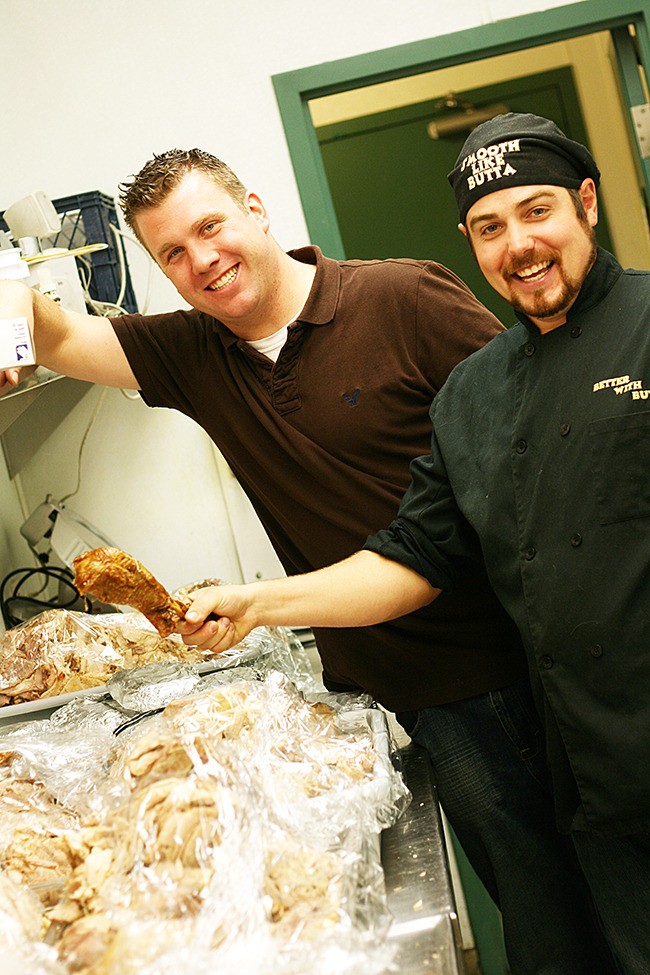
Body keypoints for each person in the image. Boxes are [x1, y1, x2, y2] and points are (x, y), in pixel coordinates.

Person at [0, 147, 612, 974]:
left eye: (210, 227)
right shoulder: (193, 351)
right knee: (540, 910)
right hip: (402, 687)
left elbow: (531, 436)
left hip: (502, 669)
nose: (202, 260)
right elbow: (63, 331)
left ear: (255, 208)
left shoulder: (402, 297)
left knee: (577, 923)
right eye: (172, 253)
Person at [177, 114, 650, 975]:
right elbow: (412, 557)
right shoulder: (474, 392)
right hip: (593, 766)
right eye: (490, 227)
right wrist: (255, 604)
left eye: (537, 211)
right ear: (470, 242)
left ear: (587, 205)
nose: (521, 245)